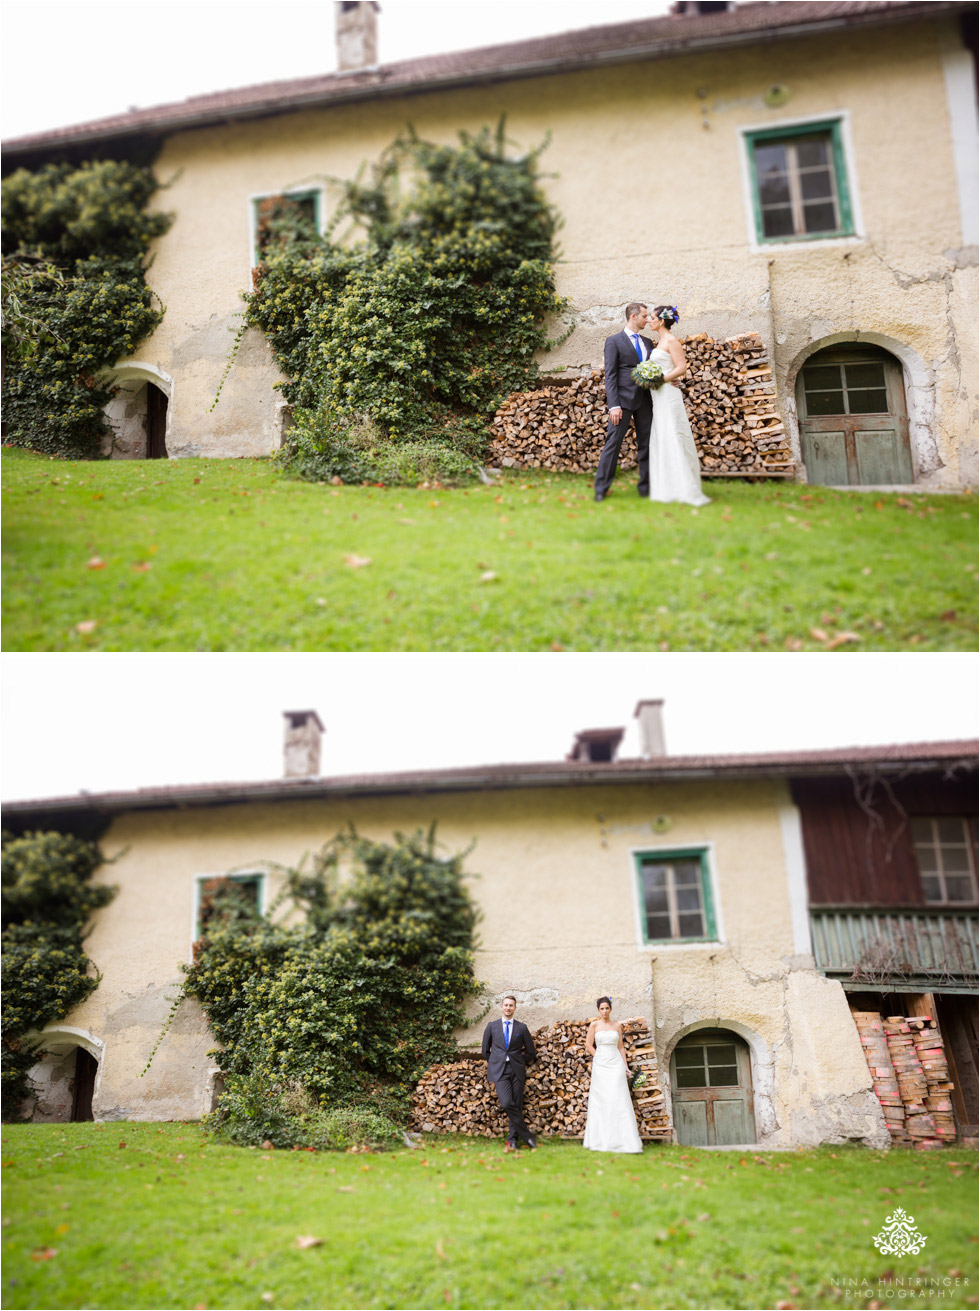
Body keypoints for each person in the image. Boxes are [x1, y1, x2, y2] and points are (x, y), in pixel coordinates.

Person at [645, 305, 711, 507]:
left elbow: (681, 367)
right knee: (663, 433)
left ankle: (684, 487)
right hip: (658, 395)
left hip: (668, 393)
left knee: (673, 432)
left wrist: (661, 379)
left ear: (661, 321)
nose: (649, 320)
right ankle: (667, 485)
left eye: (652, 317)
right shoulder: (659, 342)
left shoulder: (672, 341)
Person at [594, 302, 655, 502]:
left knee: (646, 445)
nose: (647, 319)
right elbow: (610, 375)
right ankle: (601, 488)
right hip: (622, 402)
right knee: (613, 444)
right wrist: (614, 405)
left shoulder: (647, 342)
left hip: (645, 401)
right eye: (644, 316)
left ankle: (646, 488)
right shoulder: (613, 341)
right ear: (633, 316)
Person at [582, 996, 643, 1154]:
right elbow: (588, 1045)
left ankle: (623, 1139)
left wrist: (625, 1066)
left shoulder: (617, 1026)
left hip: (616, 1063)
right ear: (598, 1010)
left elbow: (621, 1047)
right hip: (601, 1064)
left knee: (618, 1097)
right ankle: (600, 1139)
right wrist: (598, 1056)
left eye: (606, 1008)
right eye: (601, 1008)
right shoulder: (594, 1025)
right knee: (602, 1099)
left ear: (610, 1009)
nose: (604, 1011)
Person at [481, 994, 537, 1151]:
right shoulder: (492, 1026)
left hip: (516, 1070)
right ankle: (527, 1136)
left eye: (511, 1005)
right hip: (500, 1071)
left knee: (517, 1105)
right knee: (507, 1103)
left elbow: (531, 1052)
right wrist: (496, 1061)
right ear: (501, 1007)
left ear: (515, 1008)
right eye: (505, 1005)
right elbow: (485, 1051)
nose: (508, 1008)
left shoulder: (522, 1028)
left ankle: (512, 1140)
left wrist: (518, 1061)